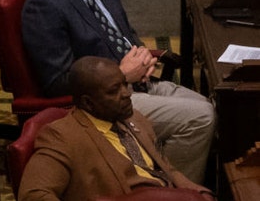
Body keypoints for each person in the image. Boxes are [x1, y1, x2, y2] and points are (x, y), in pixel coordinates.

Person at [21, 0, 215, 183]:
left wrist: (142, 56)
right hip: (104, 100)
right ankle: (169, 191)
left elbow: (124, 32)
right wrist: (121, 74)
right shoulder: (44, 3)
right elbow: (55, 81)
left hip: (139, 82)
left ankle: (167, 174)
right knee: (200, 118)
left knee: (216, 107)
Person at [19, 56, 214, 200]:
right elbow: (34, 195)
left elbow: (165, 169)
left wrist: (196, 191)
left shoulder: (134, 118)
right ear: (88, 103)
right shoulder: (61, 136)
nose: (126, 94)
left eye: (124, 84)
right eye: (114, 91)